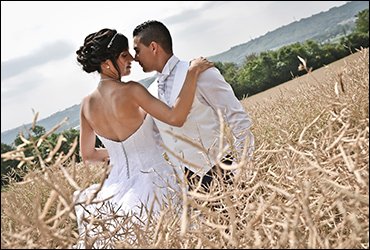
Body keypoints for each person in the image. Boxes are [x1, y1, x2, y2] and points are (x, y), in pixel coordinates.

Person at [73, 28, 213, 248]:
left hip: (116, 189)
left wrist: (122, 154)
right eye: (124, 55)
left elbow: (88, 155)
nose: (131, 59)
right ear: (106, 63)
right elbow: (175, 117)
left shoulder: (86, 105)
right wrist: (192, 74)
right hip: (155, 181)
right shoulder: (132, 91)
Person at [133, 20, 255, 193]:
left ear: (153, 47)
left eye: (137, 51)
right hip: (188, 187)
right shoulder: (150, 92)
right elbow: (157, 140)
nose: (135, 58)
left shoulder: (202, 72)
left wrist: (242, 167)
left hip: (224, 172)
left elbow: (238, 119)